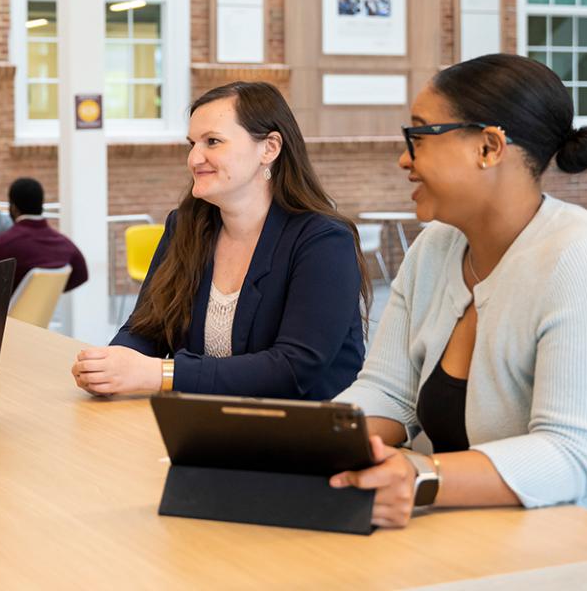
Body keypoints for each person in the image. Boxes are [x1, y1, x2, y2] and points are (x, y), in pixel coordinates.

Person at [330, 54, 587, 528]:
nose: (404, 158)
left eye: (418, 135)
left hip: (555, 553)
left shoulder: (579, 256)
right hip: (448, 537)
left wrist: (422, 476)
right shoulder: (435, 246)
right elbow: (389, 393)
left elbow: (571, 454)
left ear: (489, 148)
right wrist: (312, 445)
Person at [71, 81, 371, 400]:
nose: (194, 158)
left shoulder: (323, 241)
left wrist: (158, 373)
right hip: (204, 426)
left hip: (303, 435)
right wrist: (111, 366)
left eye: (212, 142)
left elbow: (292, 368)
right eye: (192, 144)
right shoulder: (186, 225)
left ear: (269, 148)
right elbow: (147, 328)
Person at [0, 177, 88, 292]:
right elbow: (82, 275)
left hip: (11, 310)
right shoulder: (64, 243)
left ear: (13, 208)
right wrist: (48, 294)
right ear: (41, 205)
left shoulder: (2, 245)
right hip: (46, 310)